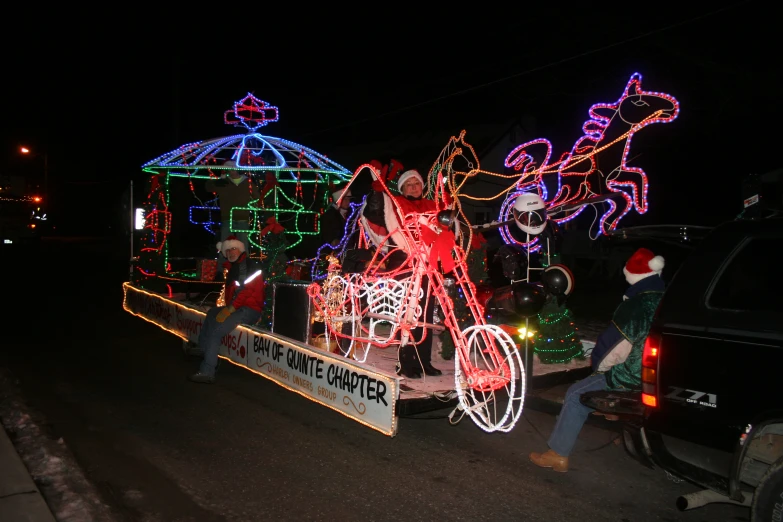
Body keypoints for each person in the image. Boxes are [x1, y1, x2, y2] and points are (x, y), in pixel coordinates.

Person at [529, 247, 666, 472]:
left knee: (576, 394)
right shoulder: (666, 300)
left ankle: (558, 454)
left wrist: (598, 367)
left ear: (633, 276)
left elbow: (613, 348)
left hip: (632, 374)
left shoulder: (634, 306)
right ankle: (629, 433)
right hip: (657, 374)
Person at [362, 168, 446, 378]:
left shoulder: (431, 206)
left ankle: (423, 361)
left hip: (428, 265)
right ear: (402, 188)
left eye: (416, 184)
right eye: (409, 185)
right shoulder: (395, 203)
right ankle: (406, 362)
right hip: (405, 265)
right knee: (407, 315)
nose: (414, 188)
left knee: (425, 314)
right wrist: (376, 193)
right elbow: (374, 214)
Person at [189, 235, 265, 384]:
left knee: (217, 331)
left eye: (234, 249)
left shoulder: (247, 266)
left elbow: (246, 292)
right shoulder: (235, 267)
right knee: (212, 313)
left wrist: (230, 309)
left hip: (249, 309)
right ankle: (204, 348)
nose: (231, 252)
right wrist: (228, 308)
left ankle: (207, 371)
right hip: (239, 308)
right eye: (228, 250)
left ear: (241, 250)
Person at [205, 159, 260, 259]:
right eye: (229, 170)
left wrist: (253, 204)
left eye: (233, 169)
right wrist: (220, 178)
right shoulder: (224, 182)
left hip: (242, 218)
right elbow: (208, 187)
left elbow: (257, 196)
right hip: (227, 217)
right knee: (225, 245)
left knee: (243, 245)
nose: (231, 172)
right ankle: (222, 271)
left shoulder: (247, 182)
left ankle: (244, 268)